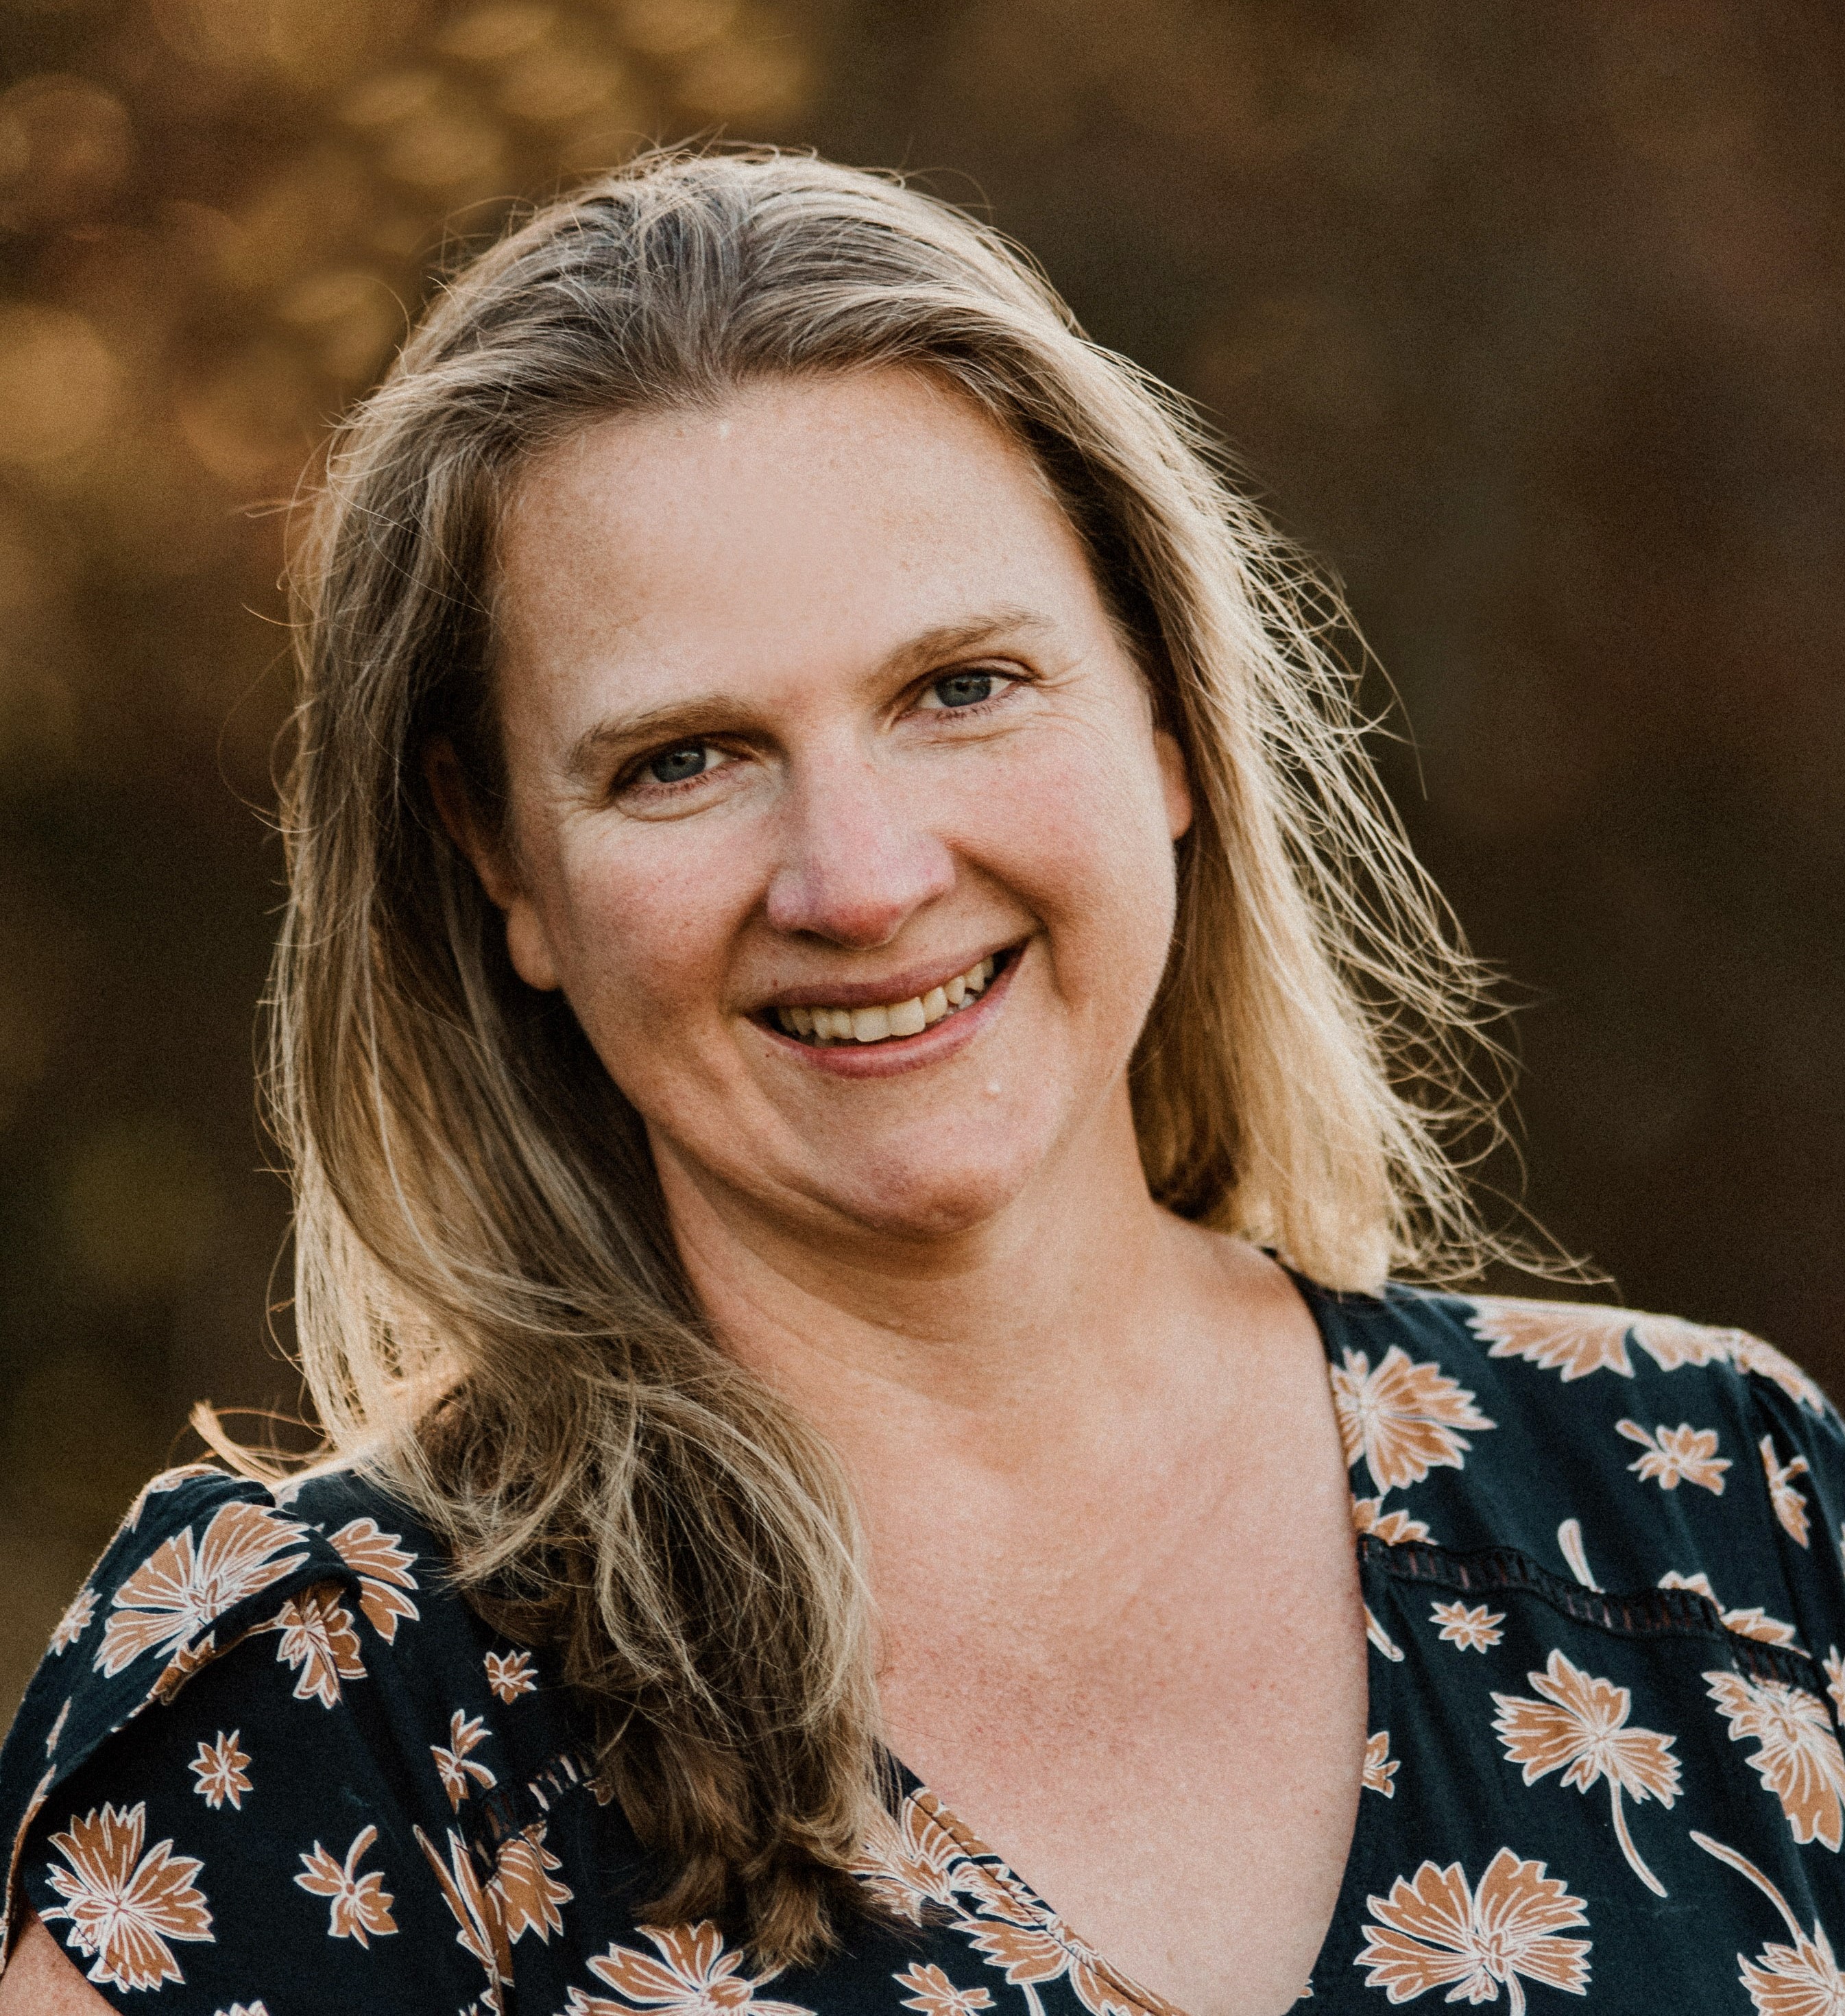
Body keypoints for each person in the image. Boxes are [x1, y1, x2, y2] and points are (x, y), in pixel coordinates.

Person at [1, 148, 1841, 2016]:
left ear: (1164, 716)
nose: (862, 878)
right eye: (684, 759)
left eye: (960, 686)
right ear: (502, 869)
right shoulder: (325, 1698)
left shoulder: (1715, 1520)